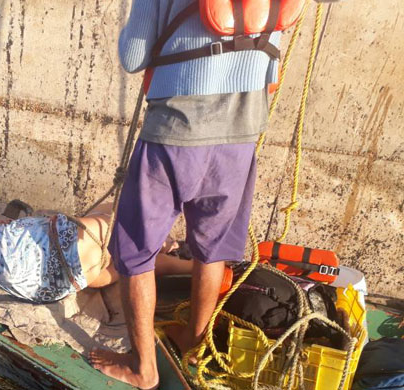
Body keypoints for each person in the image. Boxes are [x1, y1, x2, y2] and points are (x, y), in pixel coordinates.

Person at [87, 1, 282, 388]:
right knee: (212, 247)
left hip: (177, 129)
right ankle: (194, 338)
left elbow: (133, 56)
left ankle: (144, 368)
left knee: (136, 249)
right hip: (241, 132)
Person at [0, 203, 191, 303]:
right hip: (56, 272)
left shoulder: (106, 221)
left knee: (125, 268)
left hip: (40, 280)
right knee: (112, 224)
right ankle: (185, 261)